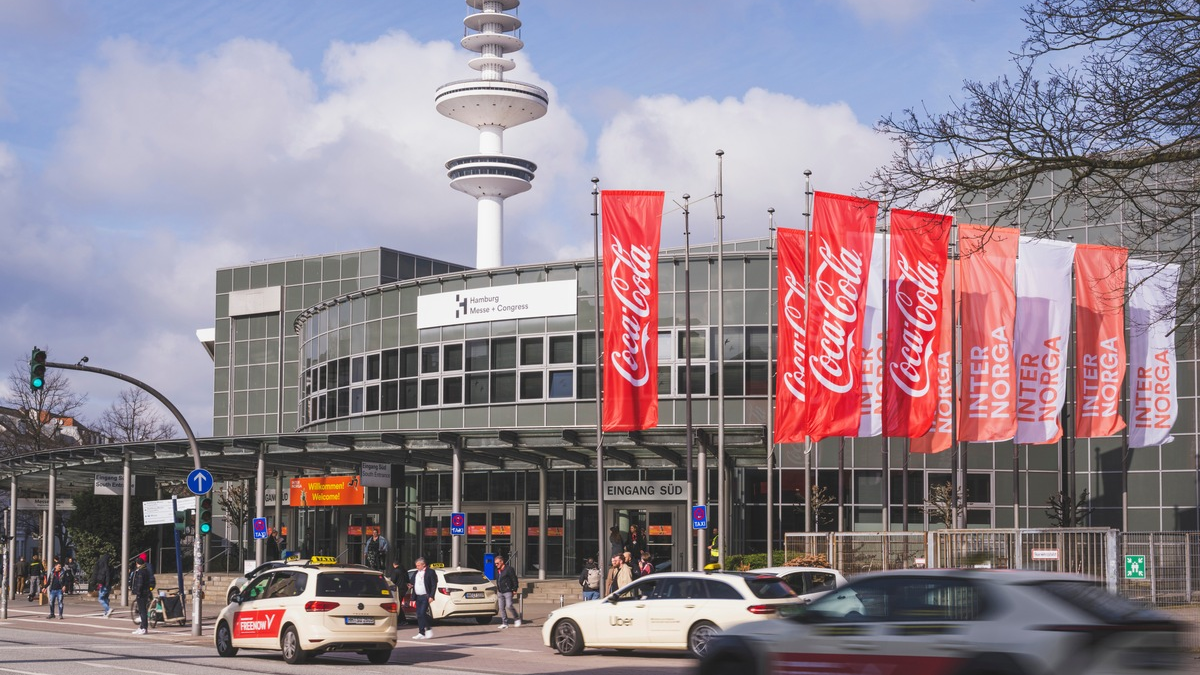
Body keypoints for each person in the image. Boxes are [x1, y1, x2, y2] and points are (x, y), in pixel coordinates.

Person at [407, 557, 438, 640]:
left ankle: (428, 628)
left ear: (423, 564)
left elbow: (433, 585)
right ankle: (421, 632)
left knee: (422, 613)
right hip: (418, 596)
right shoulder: (416, 573)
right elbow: (412, 582)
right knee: (419, 614)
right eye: (416, 565)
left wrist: (431, 596)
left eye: (418, 565)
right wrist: (410, 585)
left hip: (425, 596)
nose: (417, 567)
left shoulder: (430, 572)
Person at [129, 554, 154, 635]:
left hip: (142, 594)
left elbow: (140, 583)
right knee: (142, 611)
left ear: (137, 564)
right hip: (146, 592)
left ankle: (144, 628)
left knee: (142, 612)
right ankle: (141, 627)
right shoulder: (145, 570)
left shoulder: (140, 572)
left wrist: (137, 592)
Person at [494, 554, 520, 628]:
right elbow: (498, 580)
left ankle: (517, 618)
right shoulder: (497, 570)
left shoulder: (509, 569)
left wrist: (515, 589)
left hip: (508, 590)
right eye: (495, 563)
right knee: (501, 608)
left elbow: (514, 579)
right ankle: (505, 623)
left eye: (497, 563)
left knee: (509, 605)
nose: (496, 565)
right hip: (500, 591)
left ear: (502, 562)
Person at [92, 553, 114, 618]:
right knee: (106, 598)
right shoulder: (110, 567)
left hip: (104, 585)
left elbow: (98, 576)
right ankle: (106, 613)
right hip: (109, 585)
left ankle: (108, 609)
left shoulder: (102, 567)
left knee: (100, 598)